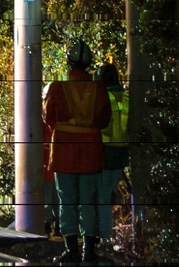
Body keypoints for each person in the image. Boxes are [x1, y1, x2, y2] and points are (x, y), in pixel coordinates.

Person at [43, 39, 110, 264]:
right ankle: (89, 249)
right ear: (89, 64)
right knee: (88, 201)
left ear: (69, 63)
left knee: (67, 201)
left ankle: (71, 250)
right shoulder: (98, 88)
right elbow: (104, 119)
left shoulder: (56, 87)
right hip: (91, 151)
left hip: (63, 152)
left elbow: (48, 117)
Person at [93, 61, 128, 251]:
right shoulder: (126, 97)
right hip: (121, 152)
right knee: (107, 193)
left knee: (102, 195)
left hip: (104, 150)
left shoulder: (102, 97)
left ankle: (104, 236)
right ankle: (107, 234)